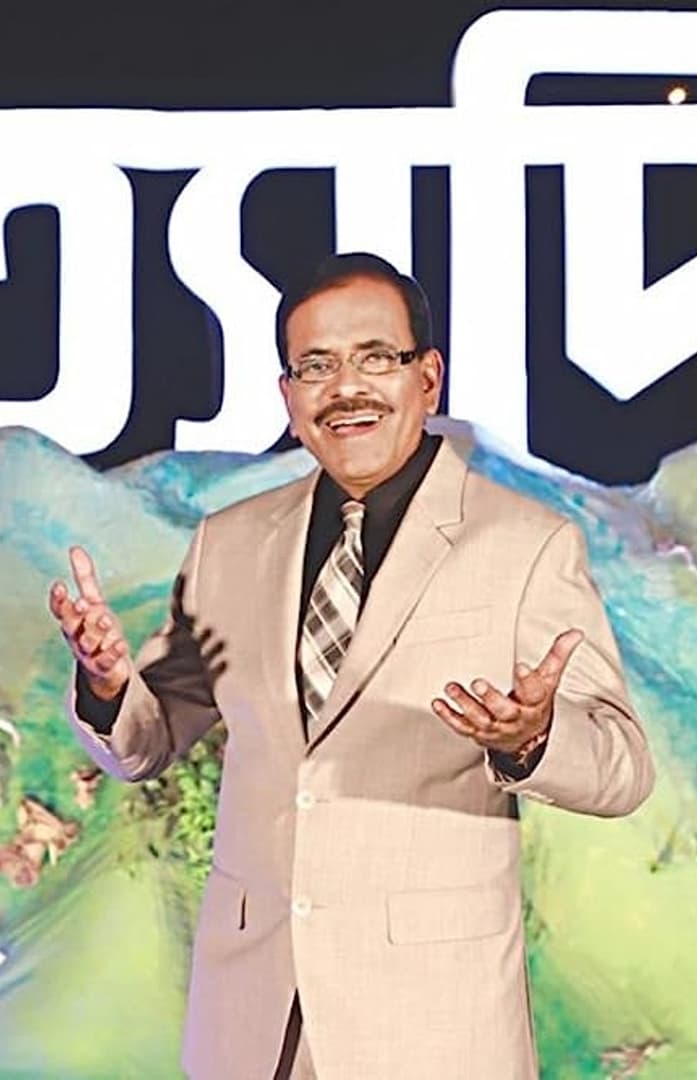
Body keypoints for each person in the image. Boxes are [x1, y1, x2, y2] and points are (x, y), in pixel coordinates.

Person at [49, 253, 654, 1080]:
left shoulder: (527, 542)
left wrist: (533, 739)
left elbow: (623, 768)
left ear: (428, 378)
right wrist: (109, 686)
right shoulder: (229, 542)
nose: (346, 388)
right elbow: (147, 742)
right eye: (316, 366)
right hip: (252, 1024)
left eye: (375, 358)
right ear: (288, 394)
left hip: (432, 1026)